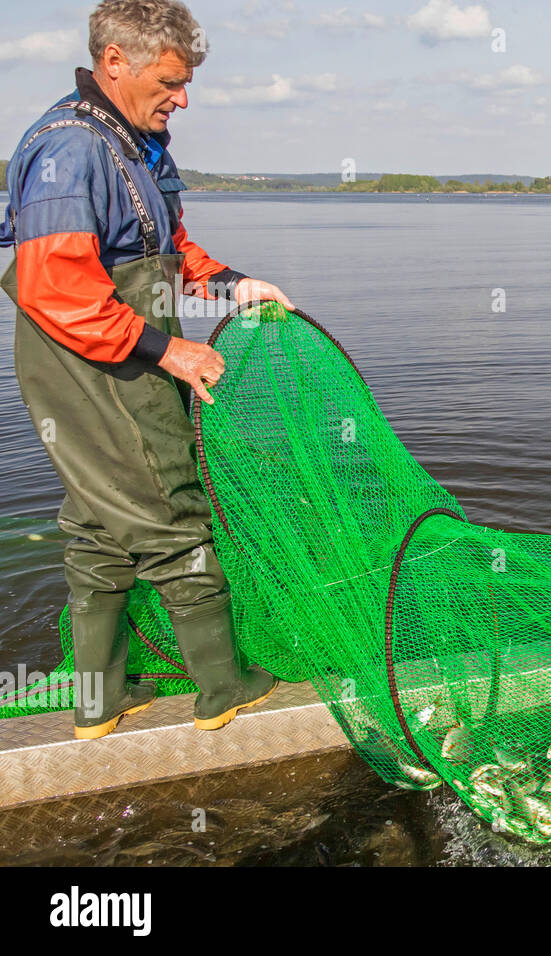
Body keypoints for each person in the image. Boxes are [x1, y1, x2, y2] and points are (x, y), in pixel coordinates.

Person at [0, 0, 292, 738]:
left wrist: (231, 283)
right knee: (174, 508)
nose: (182, 97)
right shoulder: (71, 149)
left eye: (187, 81)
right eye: (170, 80)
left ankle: (99, 702)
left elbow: (167, 250)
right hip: (92, 366)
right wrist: (173, 350)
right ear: (114, 63)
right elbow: (55, 288)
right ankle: (223, 688)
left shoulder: (136, 142)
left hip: (119, 350)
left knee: (98, 526)